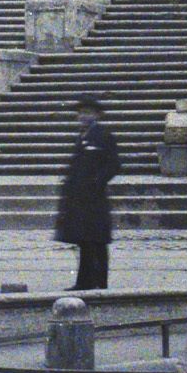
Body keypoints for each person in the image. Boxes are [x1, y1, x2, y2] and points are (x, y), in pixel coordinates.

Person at [55, 94, 122, 292]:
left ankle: (100, 282)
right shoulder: (82, 137)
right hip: (79, 199)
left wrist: (97, 182)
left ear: (96, 115)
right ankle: (83, 281)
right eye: (81, 113)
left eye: (87, 113)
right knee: (84, 240)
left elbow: (114, 165)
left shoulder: (103, 136)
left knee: (97, 241)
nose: (83, 117)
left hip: (94, 199)